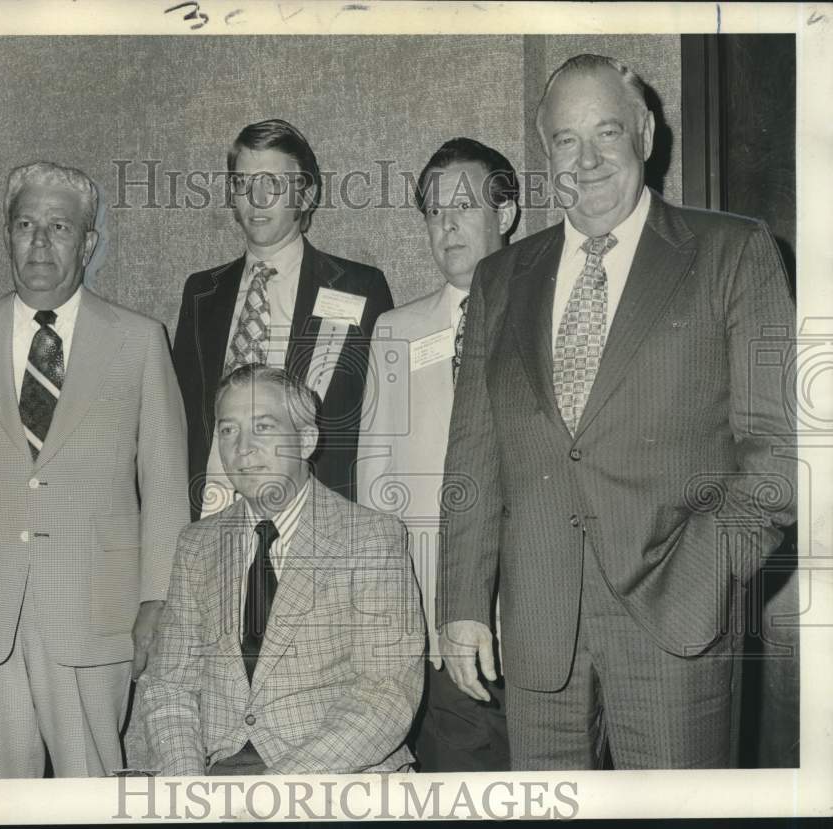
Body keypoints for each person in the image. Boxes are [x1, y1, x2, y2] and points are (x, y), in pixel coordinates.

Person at [438, 54, 796, 769]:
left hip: (677, 628)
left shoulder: (732, 252)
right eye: (567, 141)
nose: (589, 159)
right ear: (547, 155)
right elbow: (473, 453)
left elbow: (783, 456)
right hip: (538, 632)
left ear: (646, 133)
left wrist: (704, 576)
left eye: (608, 133)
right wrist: (463, 599)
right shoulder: (500, 278)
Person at [0, 161, 189, 778]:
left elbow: (164, 482)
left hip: (96, 612)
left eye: (59, 226)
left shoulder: (138, 340)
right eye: (26, 224)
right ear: (6, 234)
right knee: (0, 801)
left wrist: (158, 600)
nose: (40, 241)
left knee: (92, 794)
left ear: (88, 242)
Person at [139, 364, 425, 775]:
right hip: (219, 778)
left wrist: (279, 791)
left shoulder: (370, 537)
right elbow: (170, 686)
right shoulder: (196, 544)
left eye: (264, 427)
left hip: (336, 778)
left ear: (306, 439)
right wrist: (188, 789)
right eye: (228, 430)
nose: (243, 448)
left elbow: (387, 693)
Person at [357, 138, 518, 771]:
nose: (445, 224)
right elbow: (374, 485)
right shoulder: (396, 331)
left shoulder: (547, 319)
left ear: (504, 213)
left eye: (462, 205)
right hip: (431, 618)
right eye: (432, 211)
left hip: (536, 619)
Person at [173, 118, 393, 521]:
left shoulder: (360, 289)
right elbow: (181, 421)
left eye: (272, 183)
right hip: (212, 516)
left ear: (306, 195)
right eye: (242, 183)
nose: (256, 199)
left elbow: (380, 425)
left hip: (316, 522)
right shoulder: (201, 294)